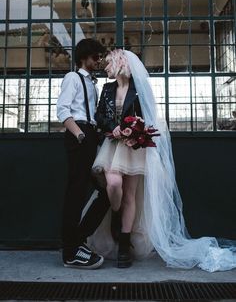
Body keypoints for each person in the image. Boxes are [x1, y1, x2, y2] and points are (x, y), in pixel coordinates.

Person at [90, 48, 236, 272]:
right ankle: (116, 215)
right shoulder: (107, 89)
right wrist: (114, 128)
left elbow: (150, 118)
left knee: (130, 195)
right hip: (112, 145)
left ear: (120, 64)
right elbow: (100, 115)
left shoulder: (140, 88)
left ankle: (124, 246)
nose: (106, 67)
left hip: (134, 148)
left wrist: (136, 131)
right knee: (114, 183)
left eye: (109, 63)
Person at [57, 38, 110, 269]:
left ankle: (78, 240)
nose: (98, 60)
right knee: (76, 192)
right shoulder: (73, 78)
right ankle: (70, 252)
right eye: (95, 56)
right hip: (79, 134)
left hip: (91, 135)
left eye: (100, 56)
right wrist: (80, 135)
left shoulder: (93, 83)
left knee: (107, 191)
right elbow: (62, 110)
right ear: (83, 58)